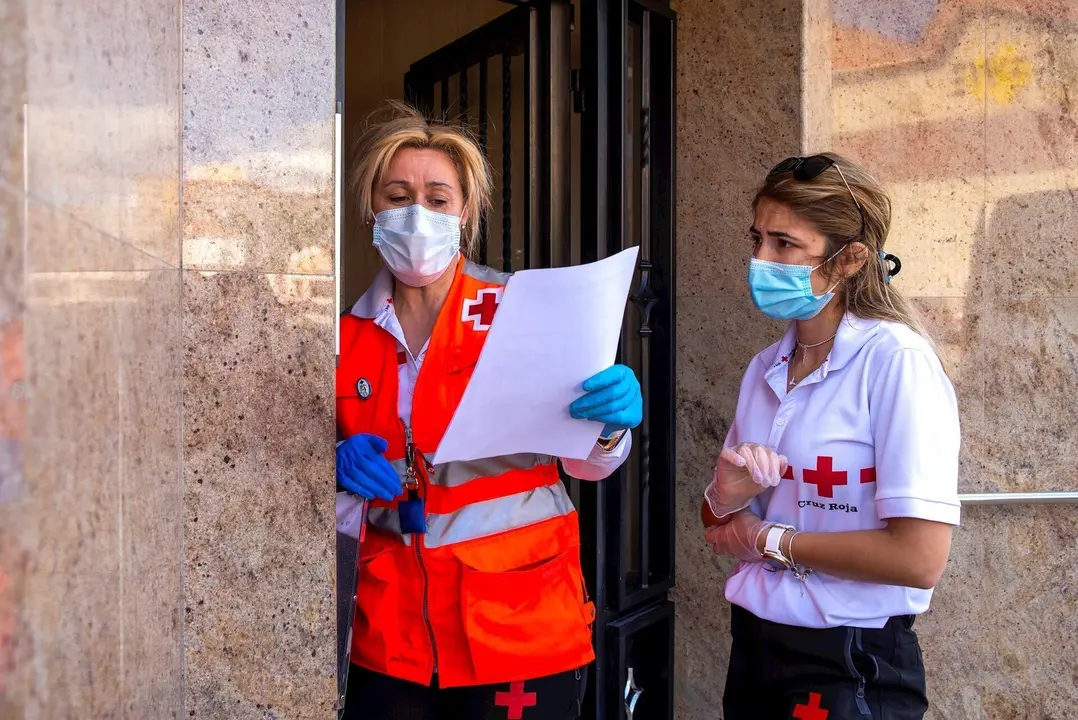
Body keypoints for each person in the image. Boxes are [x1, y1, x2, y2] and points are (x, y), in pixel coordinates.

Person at [336, 101, 642, 720]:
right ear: (372, 208)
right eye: (397, 195)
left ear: (465, 213)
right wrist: (329, 468)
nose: (416, 212)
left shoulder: (519, 310)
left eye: (437, 198)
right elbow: (314, 486)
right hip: (389, 634)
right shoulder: (342, 338)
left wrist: (610, 424)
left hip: (520, 623)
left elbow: (589, 464)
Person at [701, 153, 960, 720]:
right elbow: (720, 530)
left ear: (849, 259)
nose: (760, 260)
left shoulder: (896, 362)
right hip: (755, 644)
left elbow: (920, 558)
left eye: (784, 244)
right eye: (757, 238)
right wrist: (723, 496)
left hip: (849, 658)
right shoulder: (765, 368)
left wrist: (769, 539)